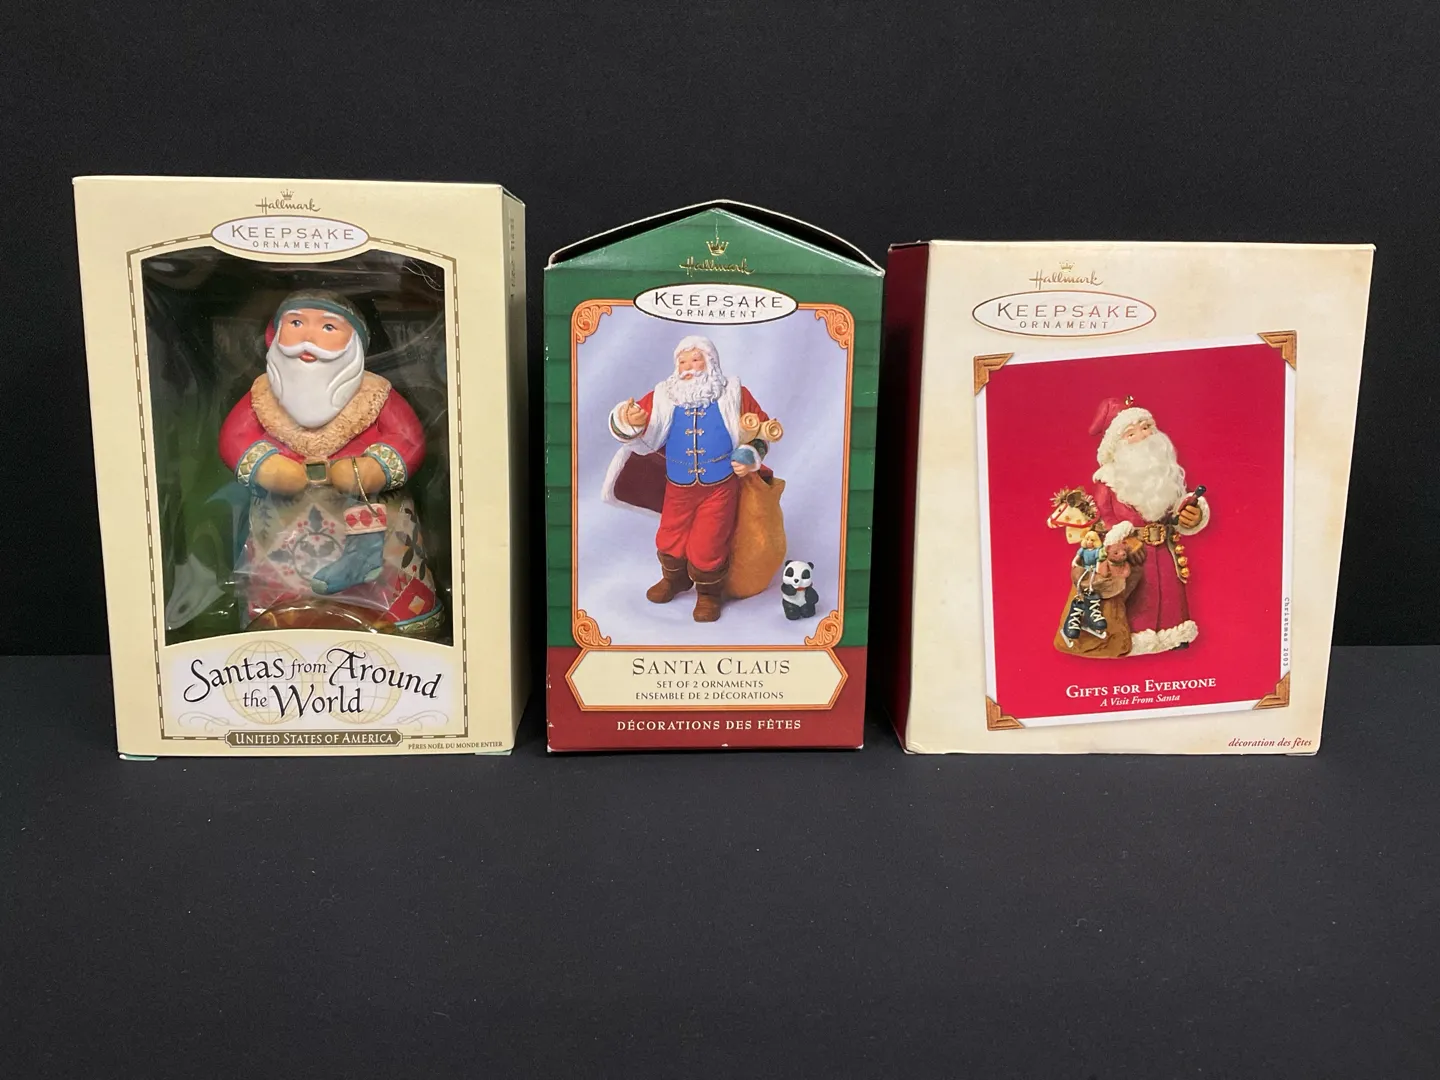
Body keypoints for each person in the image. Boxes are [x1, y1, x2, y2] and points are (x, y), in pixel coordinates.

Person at [217, 290, 442, 635]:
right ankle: (282, 617)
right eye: (296, 324)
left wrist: (374, 468)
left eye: (327, 327)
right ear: (274, 335)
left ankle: (396, 617)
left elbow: (408, 437)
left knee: (389, 565)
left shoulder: (376, 395)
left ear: (354, 344)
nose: (308, 338)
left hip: (367, 505)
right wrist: (266, 468)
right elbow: (234, 437)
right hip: (285, 518)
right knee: (280, 583)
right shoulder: (261, 396)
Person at [602, 335, 772, 622]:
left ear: (711, 362)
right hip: (677, 486)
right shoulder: (665, 395)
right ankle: (675, 579)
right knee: (669, 535)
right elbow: (636, 422)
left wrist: (749, 454)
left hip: (719, 487)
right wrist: (631, 419)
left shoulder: (734, 393)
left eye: (695, 359)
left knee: (710, 542)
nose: (689, 367)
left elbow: (763, 428)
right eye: (682, 361)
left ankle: (708, 594)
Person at [1086, 396, 1210, 654]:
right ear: (1117, 446)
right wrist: (1120, 541)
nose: (1143, 436)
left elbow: (1177, 505)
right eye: (1131, 433)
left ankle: (1174, 636)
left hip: (1164, 552)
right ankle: (1131, 639)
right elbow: (1105, 518)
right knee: (1139, 599)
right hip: (1132, 556)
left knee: (1170, 595)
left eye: (1146, 427)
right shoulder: (1109, 482)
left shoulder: (1164, 475)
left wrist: (1193, 512)